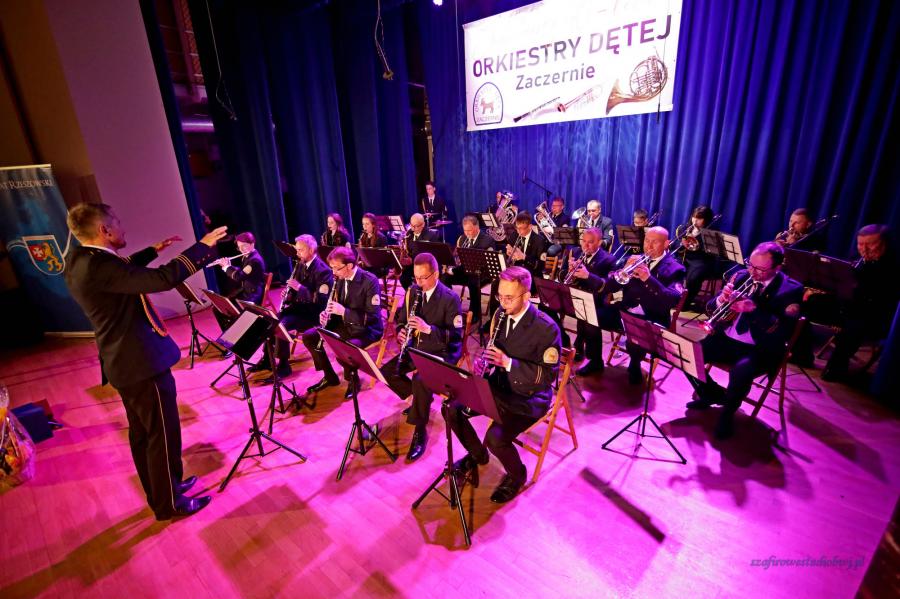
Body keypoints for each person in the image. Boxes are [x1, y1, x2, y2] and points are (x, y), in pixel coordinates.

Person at [64, 202, 227, 520]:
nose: (123, 227)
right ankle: (170, 504)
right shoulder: (101, 267)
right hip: (140, 362)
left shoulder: (80, 259)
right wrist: (202, 248)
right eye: (118, 222)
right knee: (161, 434)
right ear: (105, 230)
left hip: (123, 362)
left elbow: (122, 271)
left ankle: (164, 489)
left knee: (143, 434)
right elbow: (161, 279)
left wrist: (152, 251)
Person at [447, 267, 561, 503]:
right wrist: (485, 362)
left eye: (509, 297)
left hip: (528, 397)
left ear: (527, 296)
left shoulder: (546, 328)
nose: (503, 302)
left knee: (495, 438)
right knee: (451, 409)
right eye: (500, 296)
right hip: (499, 387)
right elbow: (494, 349)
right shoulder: (500, 314)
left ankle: (517, 475)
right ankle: (477, 455)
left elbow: (547, 377)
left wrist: (508, 363)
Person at [685, 242, 804, 439]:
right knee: (688, 354)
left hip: (760, 348)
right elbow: (710, 307)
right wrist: (721, 300)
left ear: (777, 267)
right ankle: (712, 394)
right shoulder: (741, 276)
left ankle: (727, 414)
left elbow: (783, 330)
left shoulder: (790, 290)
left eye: (760, 269)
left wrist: (754, 310)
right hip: (727, 339)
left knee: (741, 372)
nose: (753, 272)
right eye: (751, 265)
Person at [381, 253, 463, 461]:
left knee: (420, 380)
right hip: (417, 348)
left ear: (435, 274)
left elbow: (455, 337)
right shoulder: (413, 291)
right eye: (416, 277)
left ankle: (420, 430)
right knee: (387, 372)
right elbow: (401, 319)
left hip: (441, 352)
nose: (419, 283)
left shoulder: (450, 298)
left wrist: (428, 329)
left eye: (423, 278)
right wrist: (400, 330)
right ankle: (420, 401)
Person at [603, 226, 686, 384]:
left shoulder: (676, 268)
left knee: (636, 336)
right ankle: (594, 360)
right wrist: (624, 269)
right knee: (592, 315)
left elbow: (672, 300)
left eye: (655, 242)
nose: (649, 246)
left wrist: (649, 279)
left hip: (652, 316)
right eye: (647, 240)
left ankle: (634, 364)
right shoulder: (633, 259)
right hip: (625, 311)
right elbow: (609, 287)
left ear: (666, 244)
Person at [300, 247, 384, 399]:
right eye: (332, 268)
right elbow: (336, 305)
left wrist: (344, 312)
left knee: (345, 348)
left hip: (366, 329)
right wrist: (326, 314)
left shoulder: (369, 281)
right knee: (309, 336)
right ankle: (329, 376)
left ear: (349, 265)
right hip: (344, 324)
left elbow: (372, 317)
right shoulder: (339, 278)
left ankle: (353, 380)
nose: (333, 272)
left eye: (336, 268)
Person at [250, 234, 333, 381]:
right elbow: (295, 291)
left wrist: (299, 288)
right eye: (297, 250)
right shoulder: (300, 264)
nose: (297, 253)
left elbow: (321, 300)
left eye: (301, 250)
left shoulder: (323, 270)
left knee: (281, 326)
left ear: (311, 250)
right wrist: (289, 295)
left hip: (312, 314)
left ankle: (284, 366)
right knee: (269, 320)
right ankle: (267, 359)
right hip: (298, 308)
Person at [822, 225, 897, 382]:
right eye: (860, 244)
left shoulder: (893, 266)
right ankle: (801, 354)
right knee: (806, 303)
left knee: (854, 325)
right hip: (852, 309)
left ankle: (836, 368)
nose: (864, 249)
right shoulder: (858, 260)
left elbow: (880, 303)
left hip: (876, 317)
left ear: (885, 244)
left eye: (870, 244)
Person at [560, 227, 617, 376]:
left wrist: (588, 276)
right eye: (583, 241)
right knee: (546, 306)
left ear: (599, 242)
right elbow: (562, 276)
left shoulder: (608, 259)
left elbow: (610, 286)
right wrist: (569, 272)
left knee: (589, 318)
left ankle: (595, 361)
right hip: (576, 297)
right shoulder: (576, 252)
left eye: (590, 242)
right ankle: (564, 341)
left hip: (597, 301)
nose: (585, 246)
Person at [485, 211, 547, 325]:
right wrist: (509, 254)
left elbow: (540, 266)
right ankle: (494, 319)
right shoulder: (514, 235)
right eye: (517, 228)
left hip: (531, 277)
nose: (519, 231)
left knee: (512, 290)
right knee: (496, 284)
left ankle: (513, 320)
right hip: (515, 274)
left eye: (522, 228)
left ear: (530, 226)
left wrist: (524, 257)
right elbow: (509, 258)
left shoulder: (539, 240)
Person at [442, 214, 495, 324]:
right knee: (444, 278)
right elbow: (458, 259)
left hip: (481, 274)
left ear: (477, 227)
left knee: (473, 281)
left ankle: (474, 314)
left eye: (469, 230)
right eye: (465, 230)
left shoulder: (487, 240)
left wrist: (455, 270)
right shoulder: (462, 239)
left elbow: (484, 264)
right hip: (464, 271)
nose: (467, 233)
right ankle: (451, 306)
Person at [209, 231, 266, 331]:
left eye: (244, 246)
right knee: (217, 307)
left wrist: (226, 267)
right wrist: (229, 265)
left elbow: (238, 277)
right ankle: (228, 333)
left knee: (231, 311)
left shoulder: (254, 260)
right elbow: (242, 272)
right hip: (245, 291)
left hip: (252, 295)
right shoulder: (247, 256)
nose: (241, 250)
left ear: (252, 244)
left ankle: (234, 333)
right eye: (239, 247)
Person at [679, 205, 718, 310]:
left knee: (693, 277)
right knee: (669, 267)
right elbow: (677, 247)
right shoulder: (685, 228)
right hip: (685, 257)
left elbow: (711, 253)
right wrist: (681, 244)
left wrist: (696, 245)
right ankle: (673, 295)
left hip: (702, 260)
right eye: (694, 217)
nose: (695, 221)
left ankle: (685, 303)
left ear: (706, 219)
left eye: (699, 218)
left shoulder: (711, 233)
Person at [399, 213, 441, 288]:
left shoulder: (431, 236)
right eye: (411, 225)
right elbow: (409, 250)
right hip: (413, 265)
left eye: (416, 226)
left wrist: (412, 260)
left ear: (423, 224)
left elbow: (432, 256)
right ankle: (411, 293)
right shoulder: (409, 233)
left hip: (426, 266)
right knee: (403, 278)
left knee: (423, 281)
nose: (413, 229)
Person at [358, 212, 390, 279]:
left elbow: (384, 257)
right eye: (363, 224)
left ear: (373, 225)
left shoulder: (381, 237)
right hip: (368, 264)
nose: (364, 226)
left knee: (366, 274)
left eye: (367, 224)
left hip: (379, 267)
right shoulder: (363, 236)